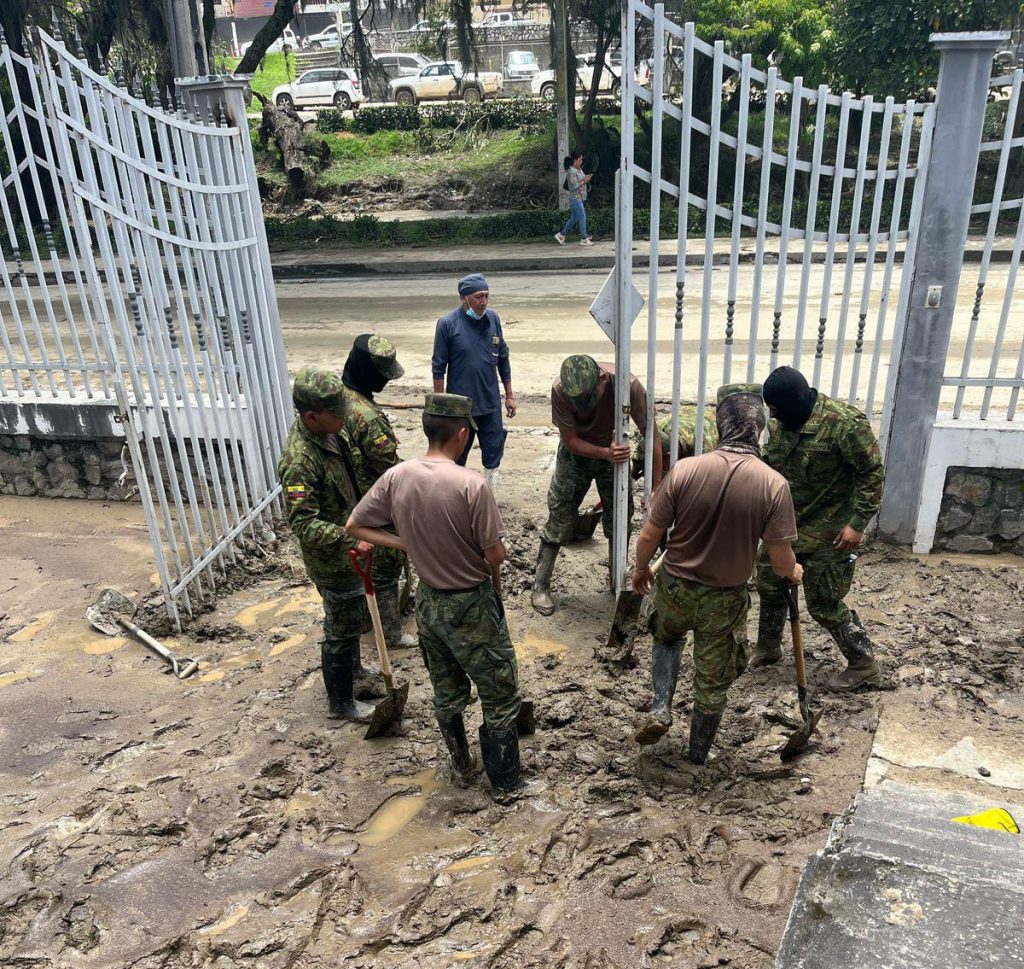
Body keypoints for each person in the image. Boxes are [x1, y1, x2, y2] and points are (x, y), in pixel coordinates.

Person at [346, 393, 524, 794]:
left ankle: (461, 763)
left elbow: (355, 525)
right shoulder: (471, 486)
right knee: (499, 690)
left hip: (429, 605)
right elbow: (496, 554)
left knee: (446, 688)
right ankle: (507, 784)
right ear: (462, 434)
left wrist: (405, 543)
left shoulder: (398, 476)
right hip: (471, 604)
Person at [631, 384, 802, 764]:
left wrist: (641, 570)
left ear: (721, 427)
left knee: (668, 638)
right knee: (712, 680)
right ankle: (696, 755)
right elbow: (779, 563)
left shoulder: (685, 470)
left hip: (674, 586)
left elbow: (648, 535)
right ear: (759, 430)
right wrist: (794, 570)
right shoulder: (774, 485)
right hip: (723, 599)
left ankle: (661, 706)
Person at [752, 367, 885, 691]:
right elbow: (774, 462)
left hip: (831, 530)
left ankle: (863, 664)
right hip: (787, 525)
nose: (772, 416)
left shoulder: (844, 425)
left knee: (823, 602)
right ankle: (768, 647)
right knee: (769, 582)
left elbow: (872, 473)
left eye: (776, 409)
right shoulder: (780, 422)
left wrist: (857, 524)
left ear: (795, 402)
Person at [277, 368, 375, 724]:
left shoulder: (333, 433)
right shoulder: (300, 460)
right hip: (332, 558)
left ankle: (357, 672)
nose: (344, 417)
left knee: (352, 619)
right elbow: (302, 524)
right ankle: (341, 702)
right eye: (337, 414)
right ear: (311, 416)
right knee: (340, 626)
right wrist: (352, 538)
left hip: (352, 545)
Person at [531, 354, 663, 616]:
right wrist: (604, 452)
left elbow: (652, 437)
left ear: (601, 378)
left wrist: (656, 487)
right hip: (577, 456)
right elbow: (570, 440)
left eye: (588, 400)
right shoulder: (561, 390)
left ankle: (616, 581)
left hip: (615, 457)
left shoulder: (628, 386)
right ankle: (540, 584)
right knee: (560, 514)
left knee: (620, 520)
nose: (583, 407)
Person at [340, 333, 418, 650]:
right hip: (373, 499)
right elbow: (389, 467)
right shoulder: (368, 417)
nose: (386, 381)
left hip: (350, 496)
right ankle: (390, 632)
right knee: (386, 566)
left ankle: (365, 618)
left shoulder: (342, 396)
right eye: (382, 375)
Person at [432, 274, 516, 495]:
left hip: (490, 403)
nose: (484, 302)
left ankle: (489, 495)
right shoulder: (447, 324)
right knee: (456, 455)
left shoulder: (494, 320)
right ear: (464, 298)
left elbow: (503, 358)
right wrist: (440, 407)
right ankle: (456, 496)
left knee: (493, 453)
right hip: (461, 408)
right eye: (479, 297)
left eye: (487, 296)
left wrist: (509, 395)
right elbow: (438, 367)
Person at [631, 405, 720, 481]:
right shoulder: (656, 431)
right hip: (688, 414)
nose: (654, 468)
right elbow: (637, 466)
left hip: (711, 420)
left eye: (657, 463)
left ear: (670, 455)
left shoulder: (702, 450)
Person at [554, 151, 593, 247]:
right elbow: (573, 186)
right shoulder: (571, 172)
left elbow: (581, 180)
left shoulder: (578, 169)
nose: (581, 162)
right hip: (575, 198)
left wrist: (586, 178)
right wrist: (585, 181)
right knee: (582, 217)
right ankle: (584, 238)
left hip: (578, 197)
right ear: (575, 161)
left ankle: (561, 235)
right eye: (580, 160)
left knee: (574, 218)